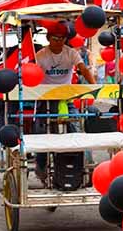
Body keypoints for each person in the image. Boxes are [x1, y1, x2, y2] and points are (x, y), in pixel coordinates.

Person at [33, 22, 97, 180]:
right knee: (41, 133)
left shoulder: (71, 53)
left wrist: (95, 86)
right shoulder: (41, 55)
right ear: (49, 38)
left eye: (62, 38)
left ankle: (85, 165)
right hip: (46, 98)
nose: (59, 41)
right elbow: (33, 75)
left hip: (67, 97)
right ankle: (40, 166)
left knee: (77, 127)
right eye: (55, 38)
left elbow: (83, 68)